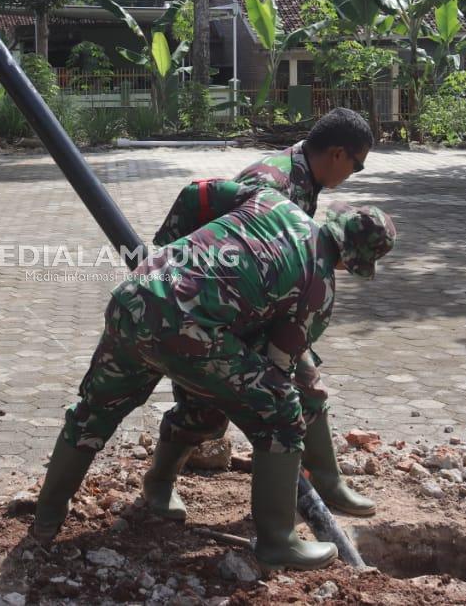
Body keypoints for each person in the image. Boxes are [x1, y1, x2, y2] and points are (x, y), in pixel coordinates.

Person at [33, 190, 395, 570]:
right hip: (190, 333)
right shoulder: (318, 290)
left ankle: (46, 520)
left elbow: (196, 194)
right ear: (352, 260)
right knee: (282, 411)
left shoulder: (271, 201)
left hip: (136, 293)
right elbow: (279, 368)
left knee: (94, 411)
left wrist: (168, 250)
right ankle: (278, 541)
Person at [150, 106, 378, 517]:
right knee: (206, 408)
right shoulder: (272, 181)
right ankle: (159, 484)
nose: (352, 175)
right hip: (215, 308)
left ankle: (325, 479)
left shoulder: (305, 181)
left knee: (305, 382)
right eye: (357, 166)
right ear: (339, 154)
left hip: (257, 307)